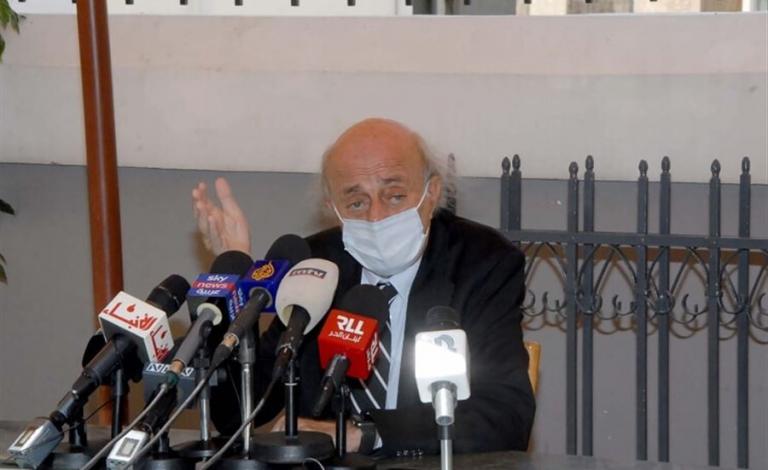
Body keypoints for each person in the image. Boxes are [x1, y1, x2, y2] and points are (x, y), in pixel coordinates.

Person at [193, 118, 535, 457]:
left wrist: (366, 434)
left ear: (431, 193)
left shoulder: (482, 263)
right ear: (333, 209)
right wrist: (230, 284)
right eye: (356, 203)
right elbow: (236, 412)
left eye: (395, 196)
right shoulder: (315, 267)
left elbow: (506, 416)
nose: (376, 217)